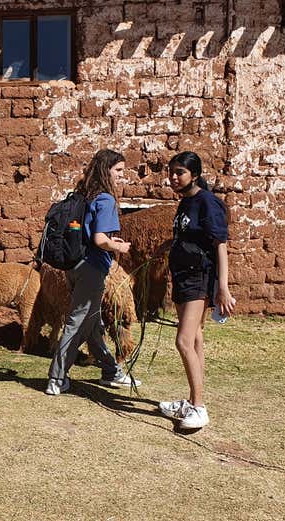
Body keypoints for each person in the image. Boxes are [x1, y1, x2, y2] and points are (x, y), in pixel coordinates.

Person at [46, 149, 142, 395]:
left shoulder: (85, 195)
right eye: (118, 170)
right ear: (105, 171)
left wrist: (109, 239)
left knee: (91, 322)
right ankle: (57, 378)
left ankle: (111, 370)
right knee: (77, 321)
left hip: (75, 265)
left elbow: (90, 234)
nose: (122, 176)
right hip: (92, 267)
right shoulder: (107, 200)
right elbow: (100, 240)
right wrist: (118, 246)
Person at [160, 151, 234, 429]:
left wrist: (223, 288)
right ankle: (192, 401)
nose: (174, 178)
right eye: (171, 173)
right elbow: (188, 237)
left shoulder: (207, 203)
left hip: (198, 279)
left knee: (183, 341)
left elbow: (220, 246)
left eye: (179, 172)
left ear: (195, 174)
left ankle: (199, 408)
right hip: (181, 276)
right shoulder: (184, 203)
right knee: (196, 338)